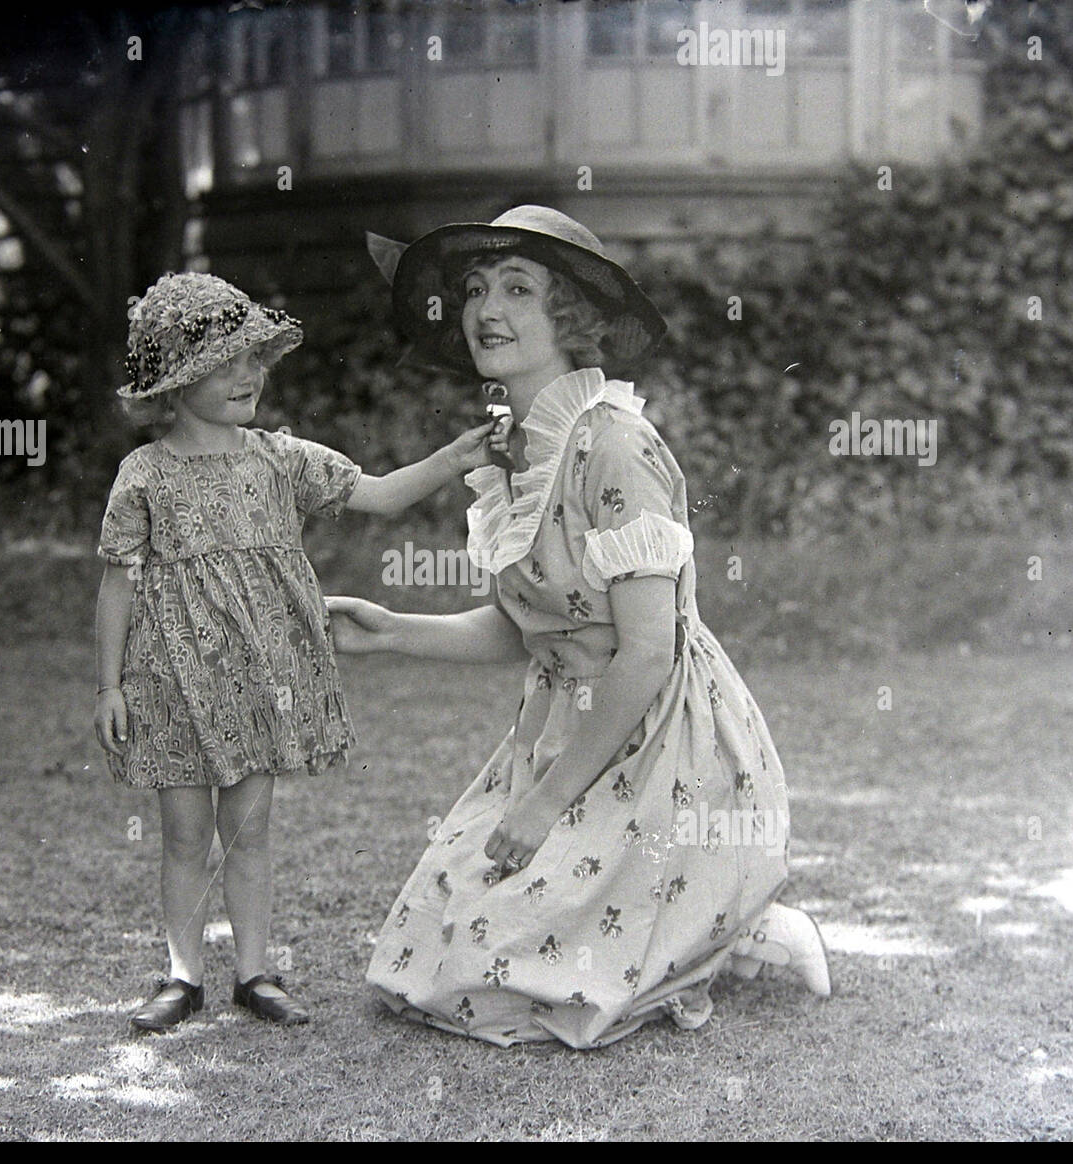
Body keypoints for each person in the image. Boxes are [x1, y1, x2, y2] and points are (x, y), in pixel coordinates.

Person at [329, 206, 831, 1048]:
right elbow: (528, 630)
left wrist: (546, 805)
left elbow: (645, 653)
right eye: (477, 290)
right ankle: (700, 921)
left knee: (514, 983)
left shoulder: (614, 446)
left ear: (570, 317)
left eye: (519, 289)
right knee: (427, 960)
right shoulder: (514, 451)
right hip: (558, 728)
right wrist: (387, 629)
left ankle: (739, 924)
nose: (489, 309)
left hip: (657, 733)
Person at [94, 272, 492, 1032]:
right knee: (183, 836)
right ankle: (181, 977)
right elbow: (117, 584)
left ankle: (255, 972)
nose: (250, 375)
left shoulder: (280, 459)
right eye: (226, 362)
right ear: (175, 385)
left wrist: (453, 457)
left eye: (255, 358)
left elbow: (377, 492)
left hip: (258, 680)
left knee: (250, 829)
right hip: (170, 681)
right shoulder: (143, 474)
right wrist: (108, 685)